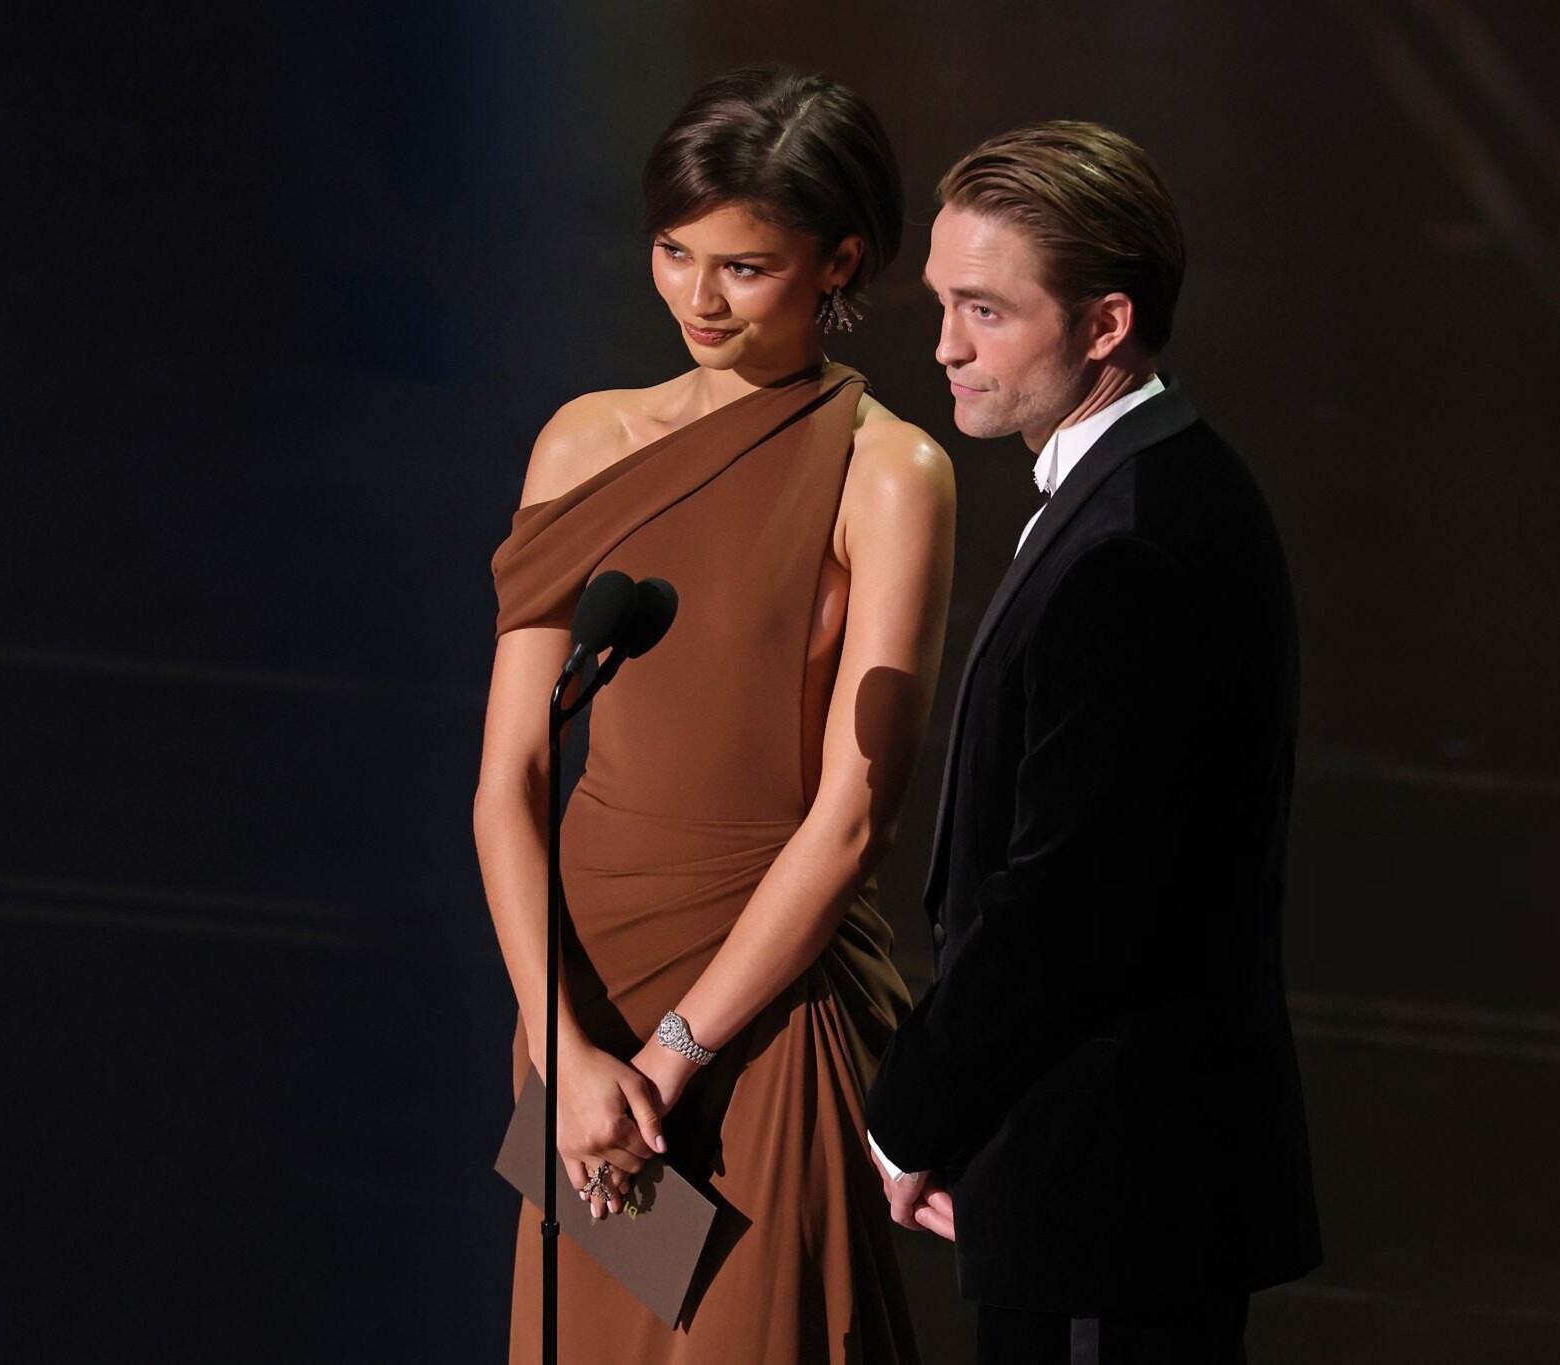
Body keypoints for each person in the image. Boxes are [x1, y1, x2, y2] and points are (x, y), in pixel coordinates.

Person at [474, 65, 954, 1364]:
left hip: (761, 1002)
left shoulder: (889, 474)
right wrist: (565, 1051)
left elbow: (854, 818)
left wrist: (673, 1057)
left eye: (742, 267)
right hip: (585, 995)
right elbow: (510, 777)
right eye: (674, 253)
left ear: (838, 261)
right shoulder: (583, 444)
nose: (697, 298)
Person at [864, 121, 1322, 1363]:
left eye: (984, 311)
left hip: (1105, 1187)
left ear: (1104, 324)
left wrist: (908, 1114)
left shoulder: (1128, 546)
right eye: (940, 304)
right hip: (1108, 1179)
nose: (945, 346)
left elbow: (1066, 899)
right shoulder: (1159, 484)